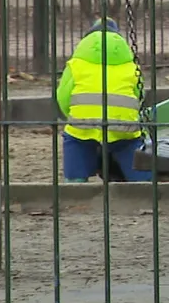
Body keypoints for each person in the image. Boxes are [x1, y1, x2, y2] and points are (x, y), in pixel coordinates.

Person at [57, 18, 150, 183]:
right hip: (122, 125)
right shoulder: (130, 66)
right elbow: (138, 95)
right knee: (130, 144)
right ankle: (142, 179)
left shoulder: (76, 65)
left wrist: (74, 115)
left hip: (84, 123)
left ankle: (75, 180)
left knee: (75, 140)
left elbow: (63, 97)